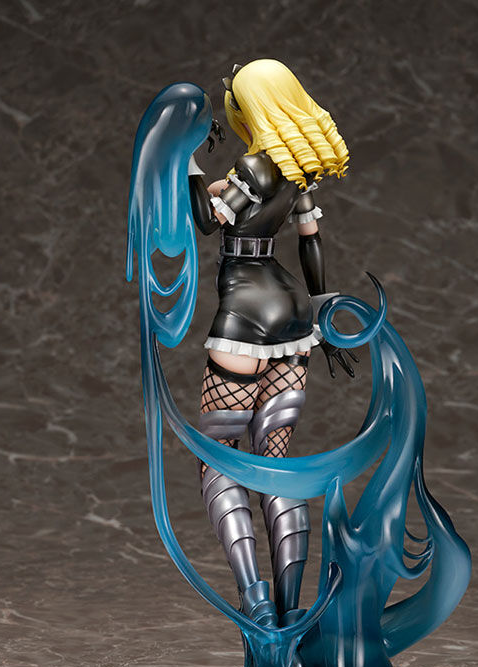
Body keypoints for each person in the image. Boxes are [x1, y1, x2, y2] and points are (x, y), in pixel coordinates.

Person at [187, 59, 353, 631]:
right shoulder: (295, 167)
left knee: (219, 458)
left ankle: (255, 601)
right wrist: (324, 311)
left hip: (246, 312)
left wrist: (188, 160)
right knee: (273, 464)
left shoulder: (254, 166)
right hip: (294, 315)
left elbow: (208, 222)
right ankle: (292, 607)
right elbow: (310, 240)